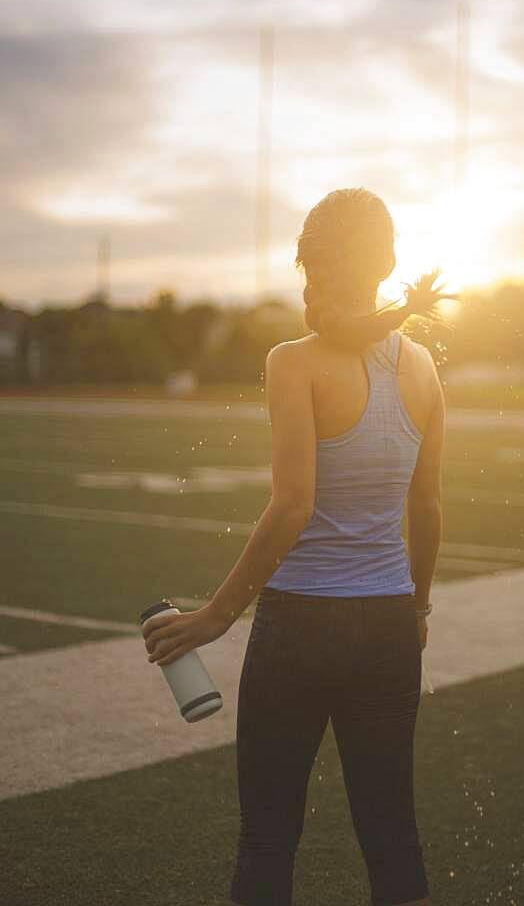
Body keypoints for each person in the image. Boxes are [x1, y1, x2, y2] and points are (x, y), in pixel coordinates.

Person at [142, 187, 446, 905]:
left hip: (301, 626)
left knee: (270, 837)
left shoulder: (292, 361)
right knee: (391, 835)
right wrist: (418, 610)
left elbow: (293, 505)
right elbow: (427, 506)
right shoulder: (426, 369)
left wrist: (215, 615)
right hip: (389, 624)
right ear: (389, 260)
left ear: (309, 264)